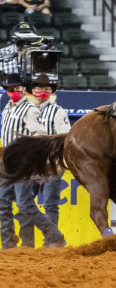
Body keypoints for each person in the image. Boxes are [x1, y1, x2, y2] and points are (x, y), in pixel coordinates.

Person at [0, 73, 66, 248]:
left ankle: (53, 234)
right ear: (6, 91)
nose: (14, 91)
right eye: (10, 88)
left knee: (25, 204)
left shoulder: (29, 109)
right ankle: (8, 245)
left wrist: (31, 156)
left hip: (22, 162)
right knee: (3, 203)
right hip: (6, 161)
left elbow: (39, 135)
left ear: (24, 89)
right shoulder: (7, 108)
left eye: (18, 88)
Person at [30, 74, 71, 229]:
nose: (43, 91)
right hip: (30, 163)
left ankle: (51, 240)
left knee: (50, 204)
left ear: (52, 92)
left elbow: (66, 136)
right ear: (33, 90)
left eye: (47, 88)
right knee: (24, 203)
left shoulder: (58, 111)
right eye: (39, 88)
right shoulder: (26, 110)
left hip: (51, 164)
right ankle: (32, 238)